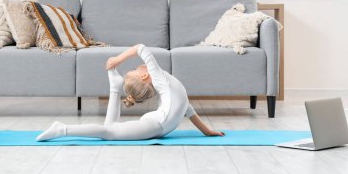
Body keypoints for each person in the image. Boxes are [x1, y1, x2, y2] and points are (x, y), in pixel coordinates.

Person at [36, 44, 225, 141]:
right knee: (109, 132)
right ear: (144, 77)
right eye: (133, 71)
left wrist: (208, 131)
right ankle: (62, 129)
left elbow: (187, 109)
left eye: (132, 70)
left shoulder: (161, 79)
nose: (136, 67)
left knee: (109, 130)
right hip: (155, 125)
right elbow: (141, 48)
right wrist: (207, 131)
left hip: (157, 126)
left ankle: (114, 85)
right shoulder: (159, 78)